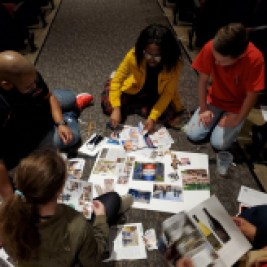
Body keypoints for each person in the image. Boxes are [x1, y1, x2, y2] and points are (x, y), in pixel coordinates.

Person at [0, 149, 133, 266]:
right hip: (72, 255)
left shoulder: (7, 215)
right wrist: (101, 218)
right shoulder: (77, 225)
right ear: (60, 190)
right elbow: (93, 261)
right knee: (112, 200)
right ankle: (117, 206)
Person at [0, 51, 93, 200]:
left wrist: (60, 123)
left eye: (34, 81)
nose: (34, 86)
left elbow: (48, 96)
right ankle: (71, 113)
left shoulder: (31, 79)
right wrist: (9, 201)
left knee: (68, 98)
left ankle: (68, 109)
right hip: (23, 136)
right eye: (28, 86)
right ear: (6, 84)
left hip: (37, 108)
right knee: (70, 139)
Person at [186, 23, 265, 151]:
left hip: (237, 105)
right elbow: (202, 80)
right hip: (215, 98)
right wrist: (203, 108)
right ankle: (216, 119)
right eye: (215, 58)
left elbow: (252, 95)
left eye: (222, 61)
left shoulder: (255, 59)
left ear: (240, 56)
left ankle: (232, 122)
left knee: (218, 144)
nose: (216, 63)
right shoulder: (211, 47)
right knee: (193, 134)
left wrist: (237, 119)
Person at [101, 24, 185, 133]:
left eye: (157, 56)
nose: (152, 59)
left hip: (156, 94)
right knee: (109, 106)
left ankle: (133, 107)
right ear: (142, 49)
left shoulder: (174, 64)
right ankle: (129, 104)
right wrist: (116, 109)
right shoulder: (134, 55)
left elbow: (167, 94)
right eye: (148, 54)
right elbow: (118, 80)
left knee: (165, 116)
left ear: (166, 53)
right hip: (136, 88)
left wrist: (152, 118)